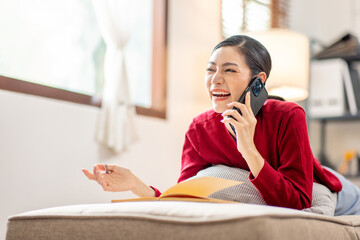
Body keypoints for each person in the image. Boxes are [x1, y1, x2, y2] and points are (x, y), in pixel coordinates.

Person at [82, 35, 360, 215]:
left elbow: (298, 201)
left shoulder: (288, 115)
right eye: (211, 69)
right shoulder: (199, 129)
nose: (215, 79)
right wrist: (135, 184)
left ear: (258, 81)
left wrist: (248, 149)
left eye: (229, 70)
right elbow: (184, 197)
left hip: (340, 192)